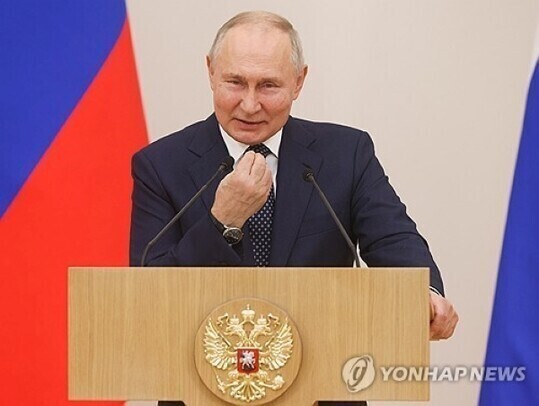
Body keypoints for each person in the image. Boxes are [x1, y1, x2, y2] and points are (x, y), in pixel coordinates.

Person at [130, 11, 458, 405]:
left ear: (299, 81)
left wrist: (424, 294)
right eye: (235, 82)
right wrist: (221, 221)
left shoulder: (346, 154)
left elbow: (392, 238)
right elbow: (148, 294)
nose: (249, 104)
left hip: (324, 386)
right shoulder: (160, 164)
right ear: (211, 72)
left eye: (268, 85)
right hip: (201, 388)